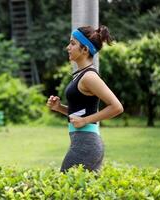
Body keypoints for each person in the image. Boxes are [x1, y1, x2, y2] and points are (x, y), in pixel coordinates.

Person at [46, 25, 124, 172]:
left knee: (64, 188)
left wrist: (85, 121)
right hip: (83, 142)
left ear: (85, 50)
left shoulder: (89, 77)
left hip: (86, 145)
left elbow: (117, 107)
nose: (68, 47)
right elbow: (81, 112)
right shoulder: (81, 75)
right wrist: (59, 108)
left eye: (73, 43)